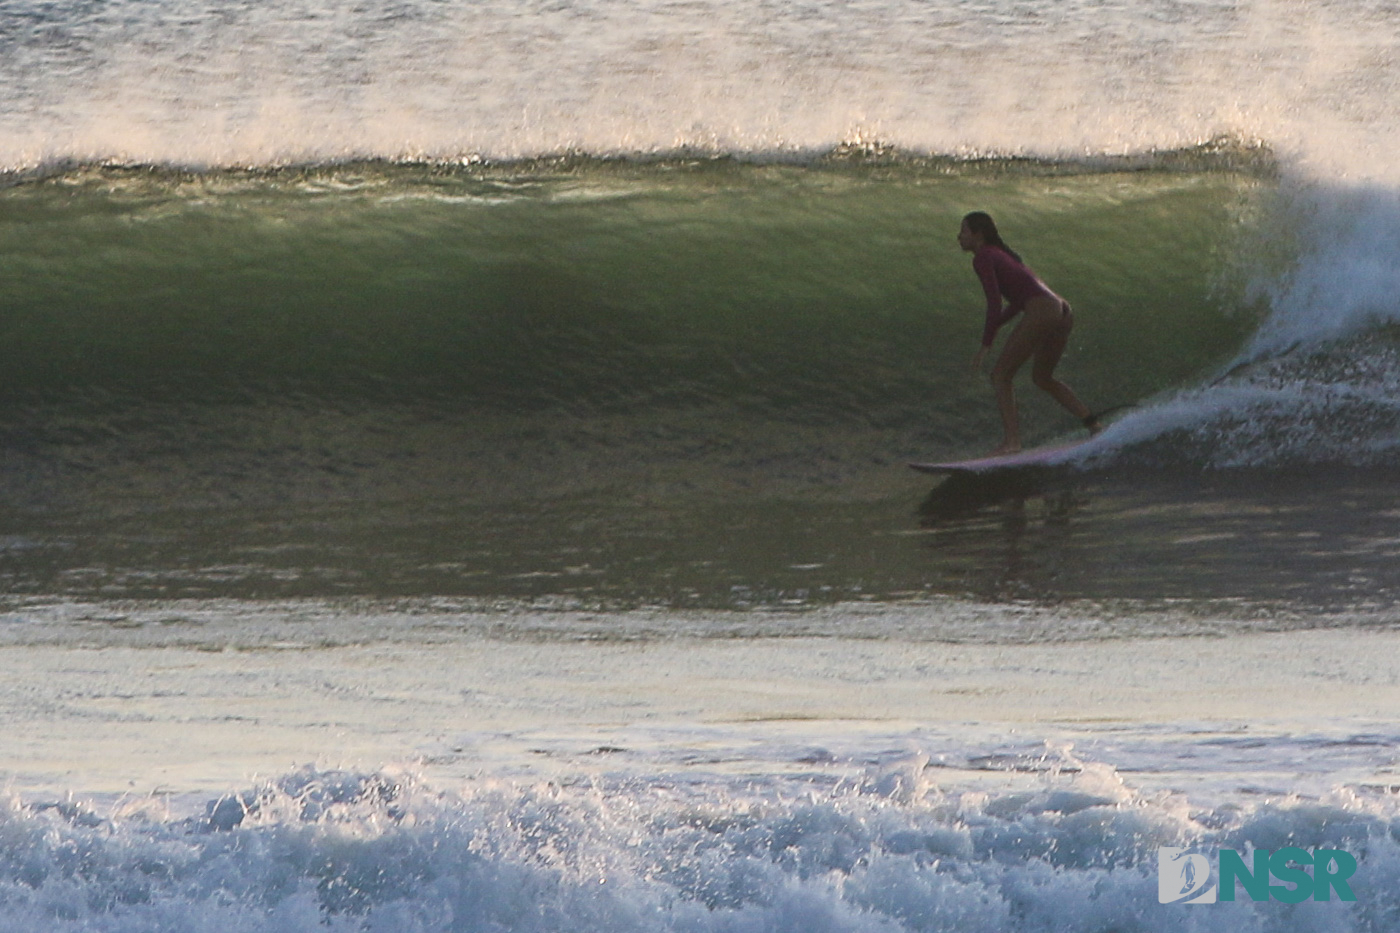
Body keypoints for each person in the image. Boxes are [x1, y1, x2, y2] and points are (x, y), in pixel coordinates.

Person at [958, 211, 1099, 455]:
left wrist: (986, 344)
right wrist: (997, 326)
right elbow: (1016, 302)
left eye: (963, 231)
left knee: (1000, 376)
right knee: (1042, 378)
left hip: (1043, 310)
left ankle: (1012, 442)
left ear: (978, 235)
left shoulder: (983, 257)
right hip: (1062, 310)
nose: (958, 237)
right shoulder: (1002, 255)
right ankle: (1093, 424)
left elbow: (994, 303)